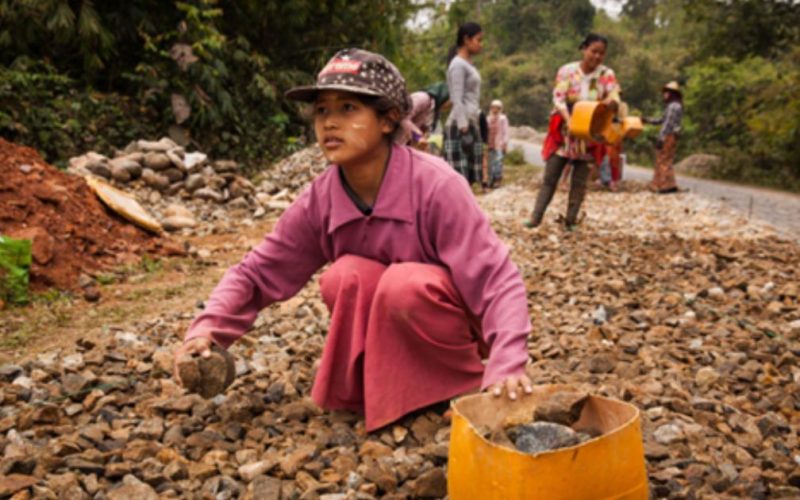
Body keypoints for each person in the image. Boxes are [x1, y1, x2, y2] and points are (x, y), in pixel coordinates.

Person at [172, 48, 533, 432]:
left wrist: (507, 362)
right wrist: (207, 331)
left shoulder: (436, 186)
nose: (329, 123)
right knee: (343, 276)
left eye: (348, 109)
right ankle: (375, 383)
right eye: (323, 111)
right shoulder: (322, 197)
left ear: (389, 118)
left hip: (448, 324)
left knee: (403, 285)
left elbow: (497, 280)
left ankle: (459, 385)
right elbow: (258, 272)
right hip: (389, 319)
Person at [525, 33, 620, 229]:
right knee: (551, 177)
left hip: (590, 130)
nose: (597, 57)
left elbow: (613, 93)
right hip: (565, 128)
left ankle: (571, 221)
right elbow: (558, 98)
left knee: (579, 181)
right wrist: (570, 121)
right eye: (593, 51)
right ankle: (536, 217)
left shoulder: (606, 74)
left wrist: (612, 101)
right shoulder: (567, 71)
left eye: (601, 53)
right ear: (584, 49)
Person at [444, 22, 484, 185]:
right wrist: (463, 128)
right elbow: (456, 98)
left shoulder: (468, 64)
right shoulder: (458, 65)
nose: (481, 44)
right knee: (459, 180)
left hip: (470, 122)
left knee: (470, 178)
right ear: (466, 40)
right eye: (478, 40)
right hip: (460, 125)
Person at [644, 82, 683, 193]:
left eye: (666, 92)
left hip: (668, 135)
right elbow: (662, 120)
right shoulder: (677, 105)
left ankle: (662, 186)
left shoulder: (672, 106)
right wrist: (648, 120)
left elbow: (667, 124)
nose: (664, 95)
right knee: (668, 160)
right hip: (674, 135)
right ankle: (671, 185)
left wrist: (661, 138)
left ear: (671, 93)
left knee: (662, 159)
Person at [398, 82, 450, 150]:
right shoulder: (422, 98)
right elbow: (402, 116)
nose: (450, 106)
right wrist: (418, 136)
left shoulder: (434, 112)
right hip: (392, 142)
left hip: (404, 147)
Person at [487, 99, 509, 188]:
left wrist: (505, 144)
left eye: (497, 108)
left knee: (498, 162)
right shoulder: (488, 118)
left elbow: (505, 132)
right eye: (493, 107)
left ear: (500, 108)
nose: (495, 109)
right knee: (491, 162)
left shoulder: (503, 118)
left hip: (499, 144)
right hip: (490, 144)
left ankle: (498, 180)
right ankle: (491, 180)